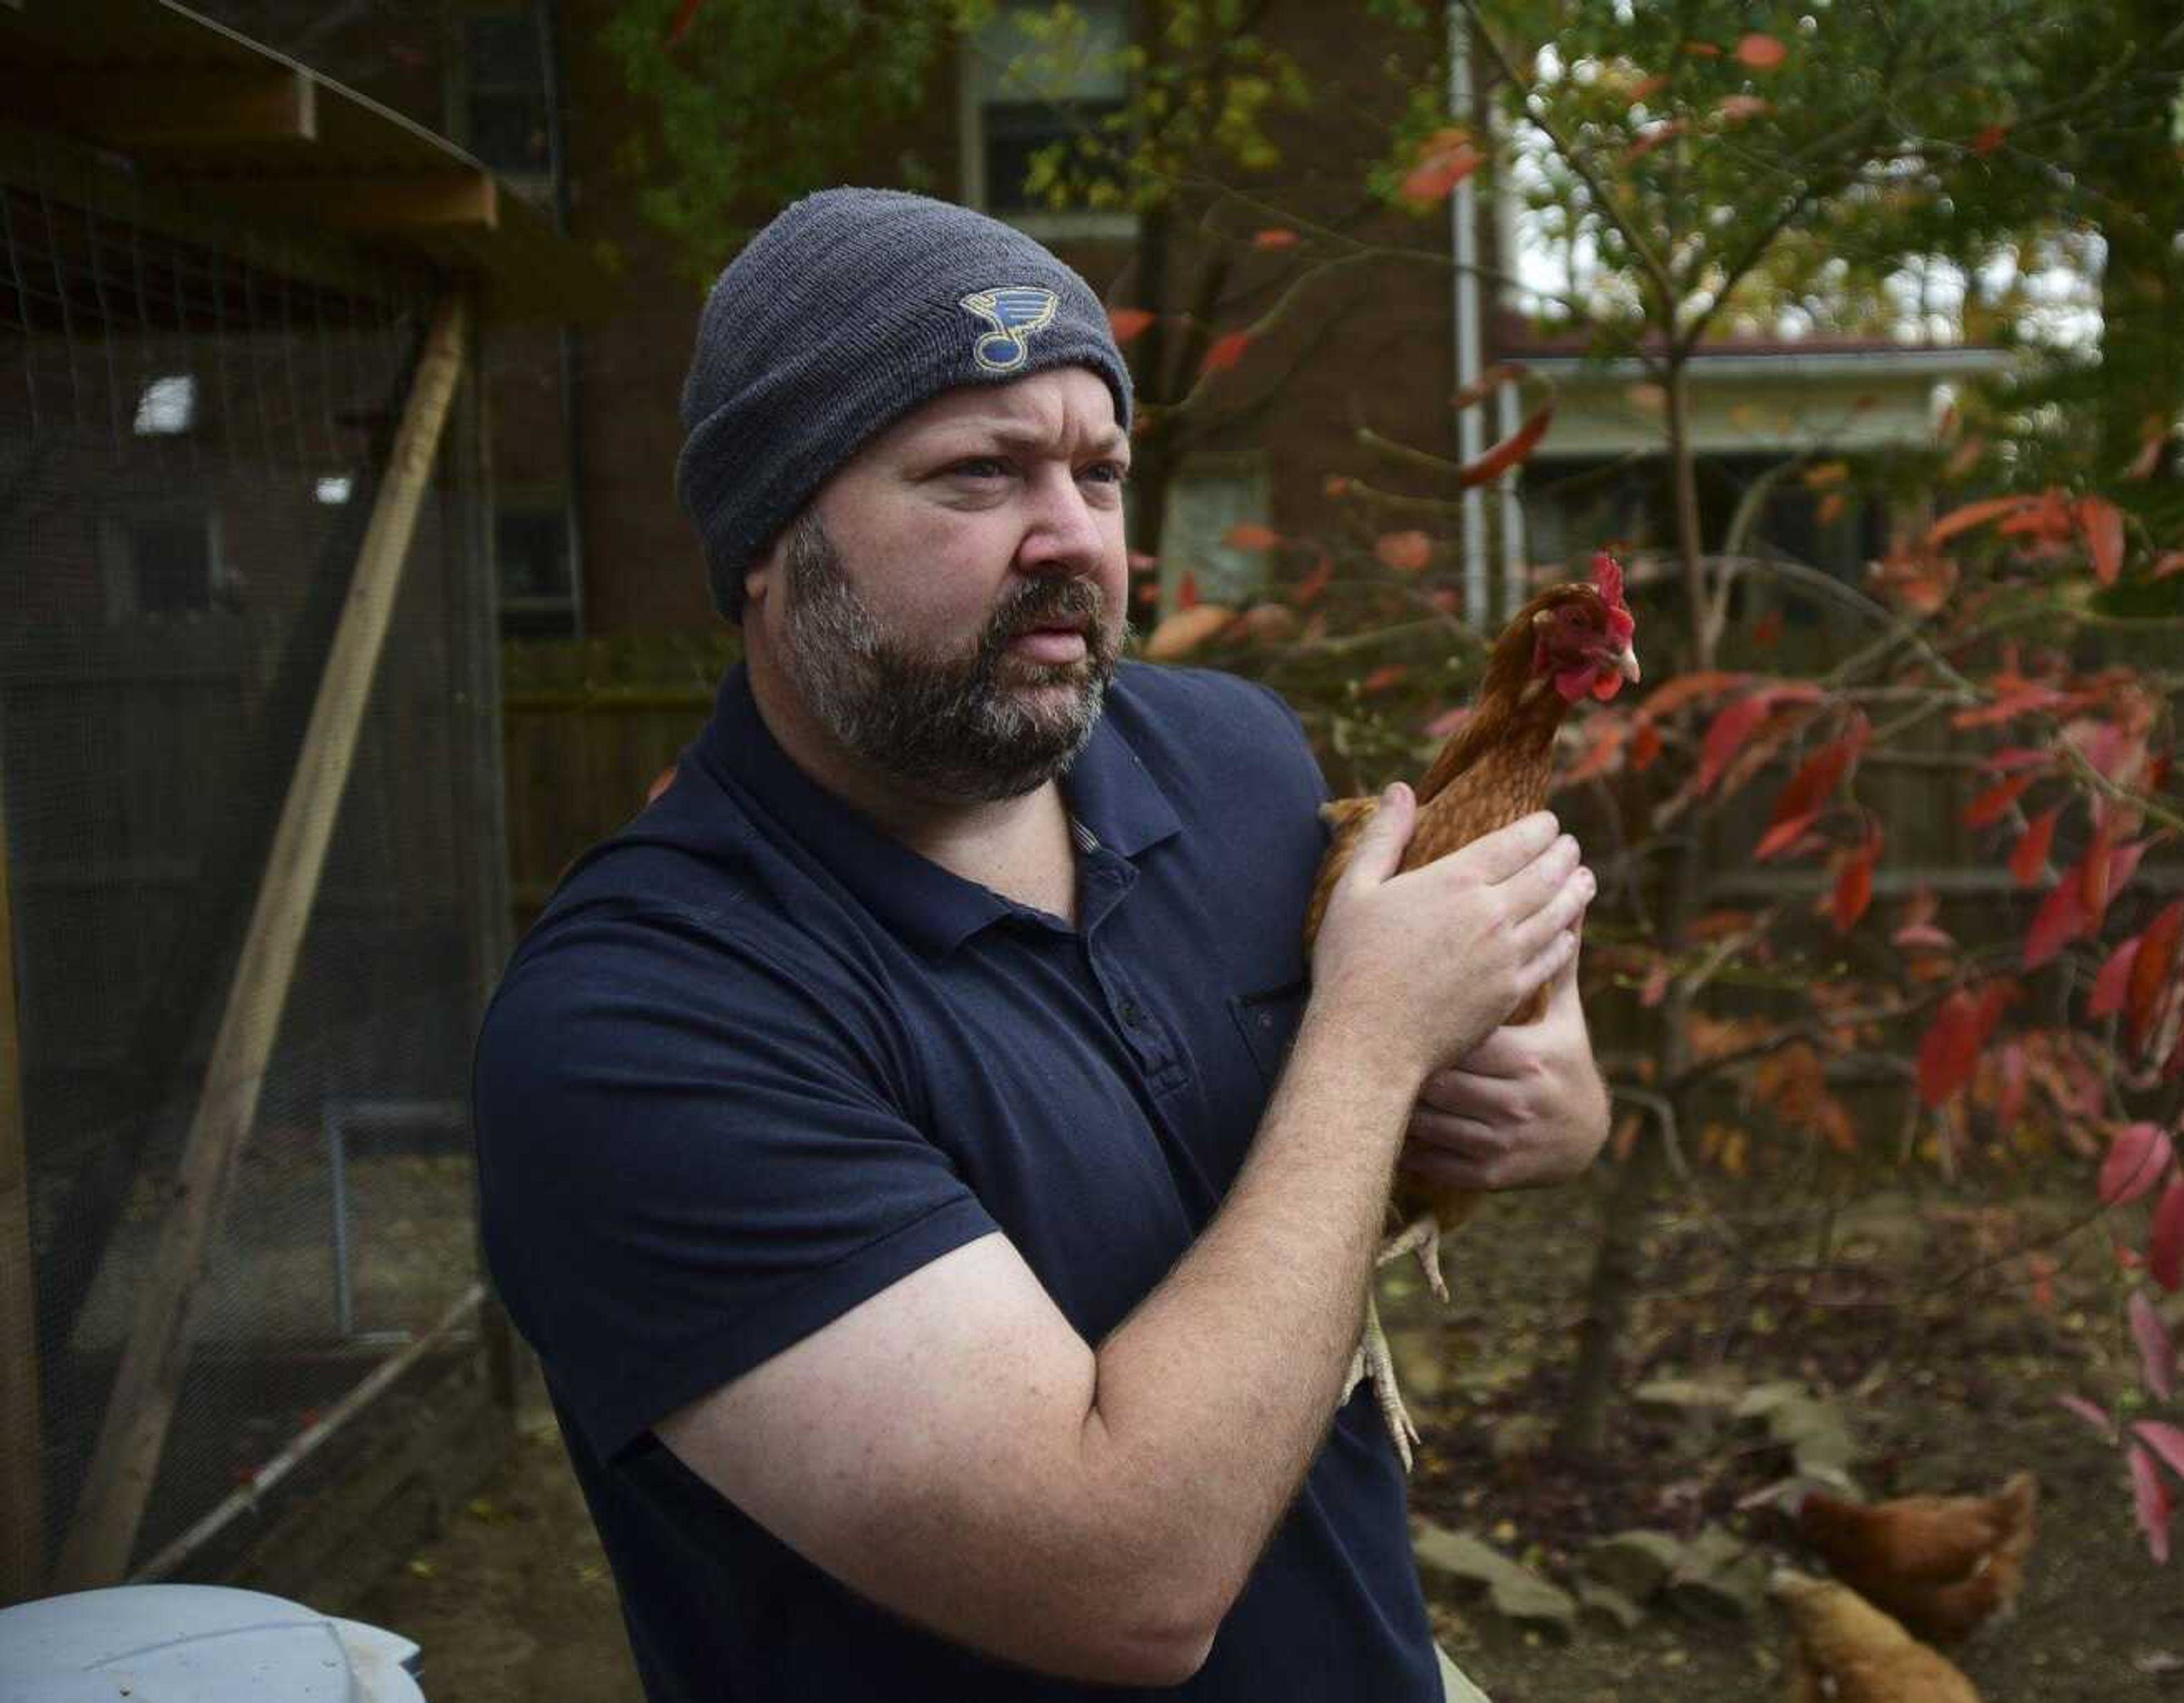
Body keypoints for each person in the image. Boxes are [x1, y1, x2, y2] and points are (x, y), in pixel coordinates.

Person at [473, 188, 1609, 1702]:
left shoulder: (1228, 757)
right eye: (977, 475)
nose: (1070, 535)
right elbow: (1126, 1580)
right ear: (766, 540)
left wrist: (1544, 1091)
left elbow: (1391, 1147)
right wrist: (1373, 1040)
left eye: (1100, 469)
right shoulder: (642, 1030)